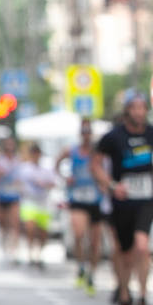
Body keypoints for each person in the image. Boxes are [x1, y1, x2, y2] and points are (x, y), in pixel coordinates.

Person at [92, 92, 153, 305]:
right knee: (124, 255)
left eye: (142, 108)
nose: (138, 113)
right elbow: (95, 164)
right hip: (122, 201)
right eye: (134, 108)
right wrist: (112, 185)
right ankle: (125, 299)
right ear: (127, 111)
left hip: (146, 199)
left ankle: (144, 298)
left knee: (142, 246)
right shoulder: (113, 137)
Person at [57, 120, 104, 294]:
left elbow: (107, 169)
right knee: (78, 234)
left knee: (95, 242)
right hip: (77, 198)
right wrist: (65, 177)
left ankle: (92, 274)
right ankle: (80, 266)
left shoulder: (98, 152)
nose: (86, 135)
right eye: (83, 131)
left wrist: (104, 183)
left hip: (95, 200)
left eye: (88, 131)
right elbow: (57, 164)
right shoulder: (72, 151)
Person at [16, 142, 54, 269]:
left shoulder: (46, 169)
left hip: (43, 203)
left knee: (43, 232)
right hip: (29, 203)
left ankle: (40, 255)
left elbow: (53, 182)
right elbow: (17, 182)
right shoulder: (24, 168)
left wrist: (44, 184)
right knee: (30, 228)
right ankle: (31, 254)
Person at [0, 137, 22, 263]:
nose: (10, 147)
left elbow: (22, 177)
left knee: (15, 223)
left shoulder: (18, 160)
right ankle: (5, 246)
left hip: (14, 195)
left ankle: (14, 251)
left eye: (11, 144)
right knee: (4, 224)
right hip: (2, 195)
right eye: (7, 145)